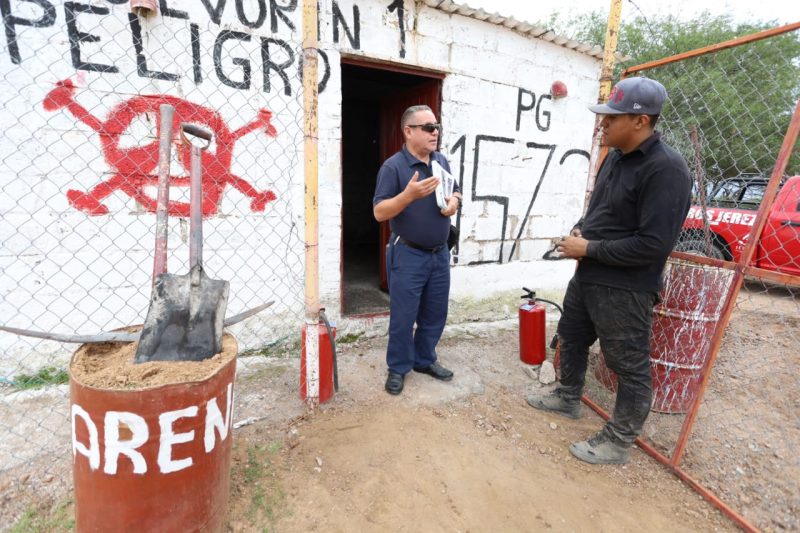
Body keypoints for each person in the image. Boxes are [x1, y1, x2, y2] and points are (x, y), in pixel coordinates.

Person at [526, 77, 691, 464]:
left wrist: (589, 247)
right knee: (571, 336)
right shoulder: (614, 157)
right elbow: (600, 211)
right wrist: (580, 230)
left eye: (612, 117)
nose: (603, 123)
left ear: (640, 121)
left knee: (628, 364)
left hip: (627, 287)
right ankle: (567, 398)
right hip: (590, 274)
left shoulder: (666, 169)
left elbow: (654, 244)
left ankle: (618, 440)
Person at [373, 105, 462, 395]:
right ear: (408, 131)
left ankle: (424, 359)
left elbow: (456, 190)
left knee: (435, 313)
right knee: (403, 315)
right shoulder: (393, 167)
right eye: (427, 127)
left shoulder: (440, 160)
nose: (435, 132)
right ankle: (398, 368)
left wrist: (454, 203)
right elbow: (379, 212)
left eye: (436, 126)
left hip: (439, 253)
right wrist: (407, 196)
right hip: (408, 254)